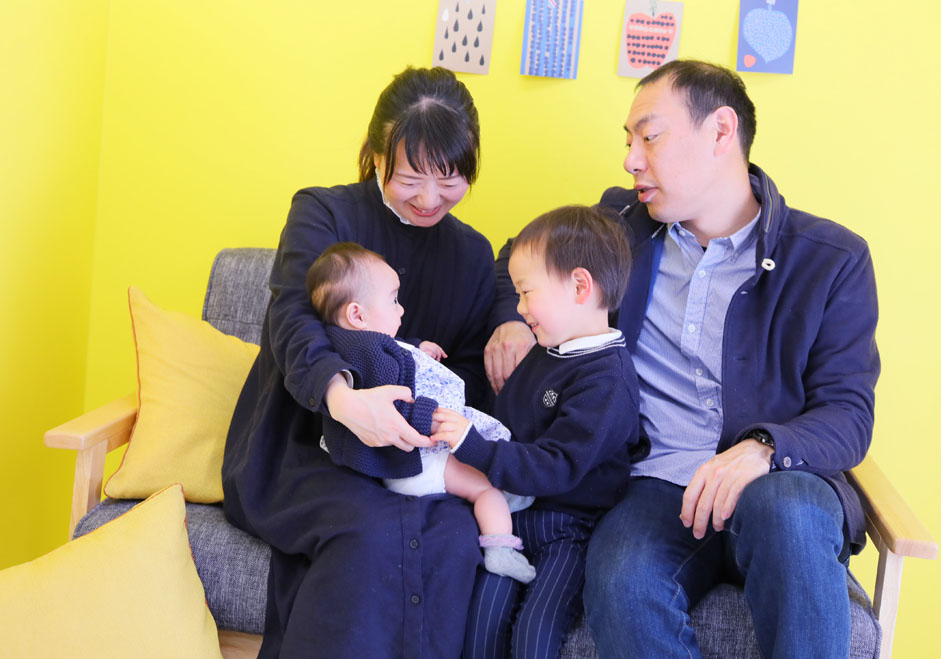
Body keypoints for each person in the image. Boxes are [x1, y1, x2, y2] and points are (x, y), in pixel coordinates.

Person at [486, 60, 880, 658]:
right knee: (621, 579)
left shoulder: (831, 259)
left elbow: (849, 414)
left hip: (776, 481)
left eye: (649, 136)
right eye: (628, 140)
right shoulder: (619, 226)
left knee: (792, 517)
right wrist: (514, 320)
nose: (630, 159)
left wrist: (762, 449)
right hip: (656, 485)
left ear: (720, 131)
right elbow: (514, 256)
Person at [221, 66, 497, 657]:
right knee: (373, 530)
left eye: (449, 180)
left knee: (453, 537)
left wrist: (430, 396)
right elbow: (293, 319)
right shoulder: (323, 212)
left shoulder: (474, 256)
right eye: (411, 178)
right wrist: (344, 400)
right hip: (302, 444)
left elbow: (471, 375)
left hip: (415, 453)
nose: (429, 199)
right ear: (374, 155)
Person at [433, 205, 645, 659]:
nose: (520, 308)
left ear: (580, 286)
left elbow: (557, 465)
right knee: (479, 624)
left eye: (527, 293)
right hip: (510, 516)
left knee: (534, 636)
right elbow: (506, 422)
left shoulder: (608, 381)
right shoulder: (547, 348)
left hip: (568, 529)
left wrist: (472, 444)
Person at [305, 241, 536, 584]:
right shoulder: (367, 350)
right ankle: (501, 547)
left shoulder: (354, 344)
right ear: (357, 315)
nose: (401, 309)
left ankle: (502, 500)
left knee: (481, 469)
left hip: (411, 463)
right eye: (393, 300)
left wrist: (417, 347)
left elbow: (393, 358)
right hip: (419, 461)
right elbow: (395, 399)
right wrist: (433, 417)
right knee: (485, 489)